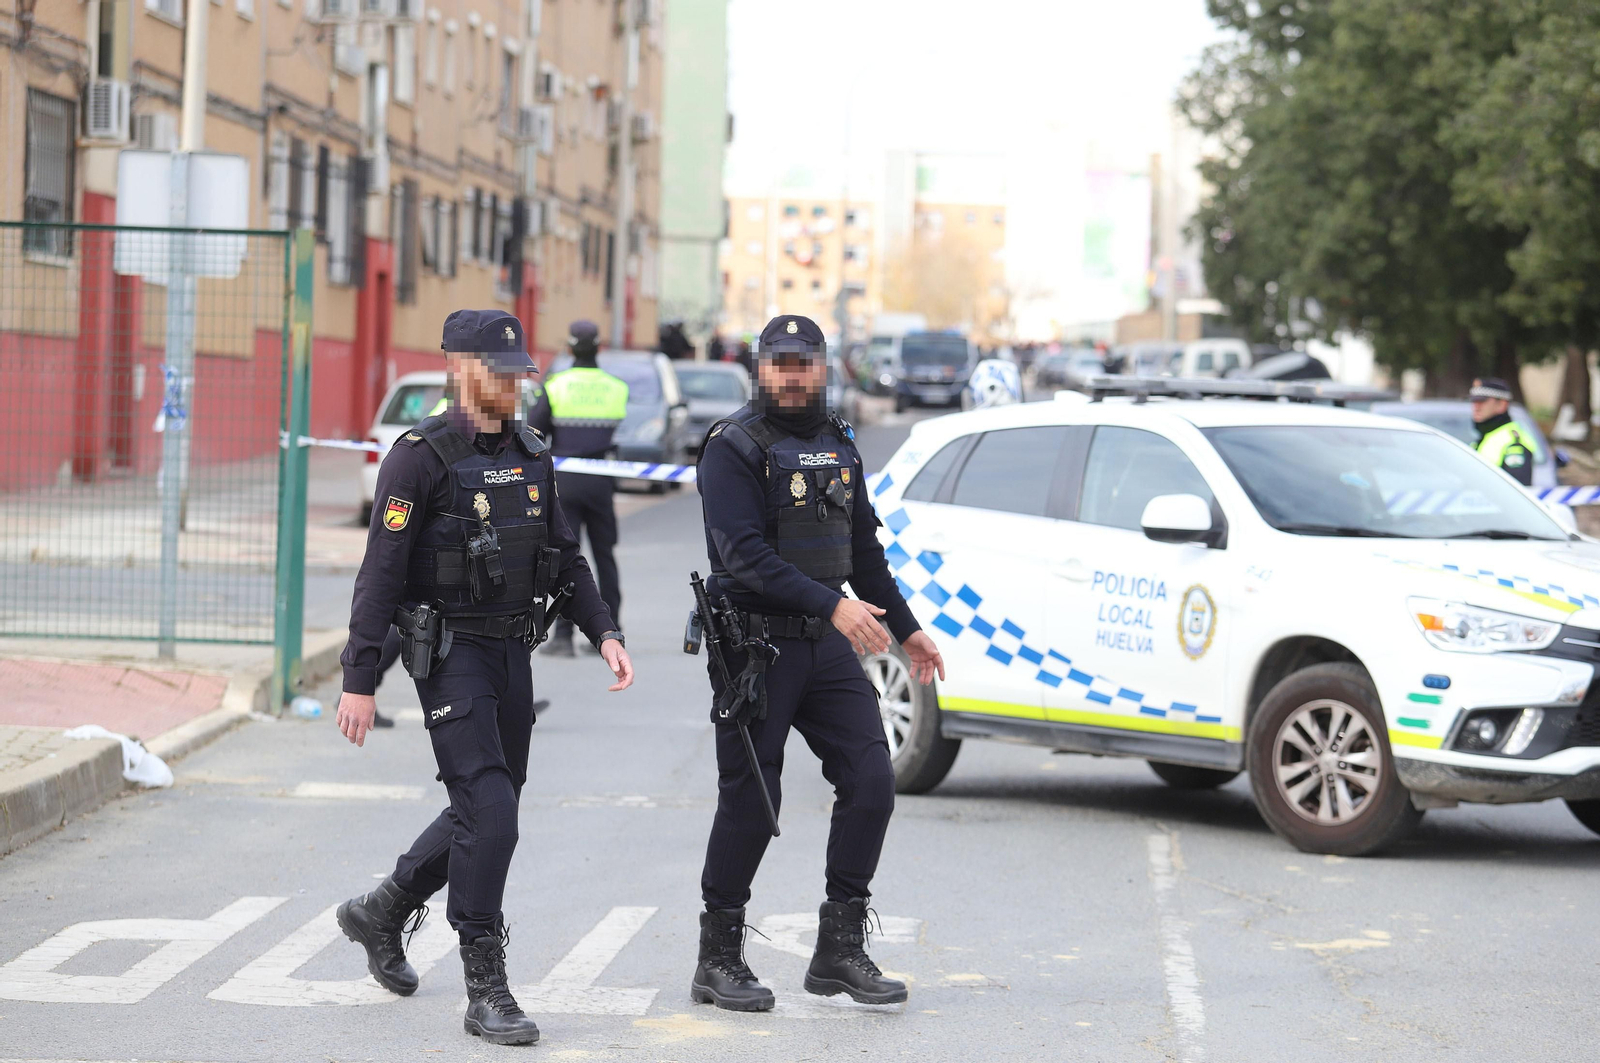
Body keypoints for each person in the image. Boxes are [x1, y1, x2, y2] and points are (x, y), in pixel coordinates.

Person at [333, 309, 634, 1047]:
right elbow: (381, 573)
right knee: (492, 811)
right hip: (448, 654)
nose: (514, 384)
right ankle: (485, 983)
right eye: (501, 373)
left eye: (520, 373)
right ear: (464, 370)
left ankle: (380, 909)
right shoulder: (418, 456)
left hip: (510, 654)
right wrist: (359, 676)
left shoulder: (534, 452)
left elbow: (564, 556)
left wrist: (605, 630)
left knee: (483, 804)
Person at [689, 314, 945, 1012]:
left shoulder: (838, 443)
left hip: (824, 642)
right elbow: (742, 554)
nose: (794, 376)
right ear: (760, 367)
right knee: (753, 800)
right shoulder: (732, 447)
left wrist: (909, 630)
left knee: (871, 780)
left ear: (823, 368)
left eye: (806, 364)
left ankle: (837, 948)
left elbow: (863, 551)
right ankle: (717, 958)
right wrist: (834, 608)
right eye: (782, 364)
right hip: (755, 644)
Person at [529, 321, 630, 656]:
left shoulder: (557, 386)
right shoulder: (616, 387)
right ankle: (610, 630)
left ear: (569, 349)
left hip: (565, 481)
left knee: (566, 557)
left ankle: (562, 637)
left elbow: (534, 430)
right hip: (602, 480)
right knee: (605, 556)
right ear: (599, 347)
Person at [1469, 377, 1535, 486]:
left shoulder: (1513, 441)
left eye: (1482, 401)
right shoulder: (1486, 436)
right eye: (1474, 401)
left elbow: (1516, 489)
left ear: (1502, 405)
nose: (1476, 406)